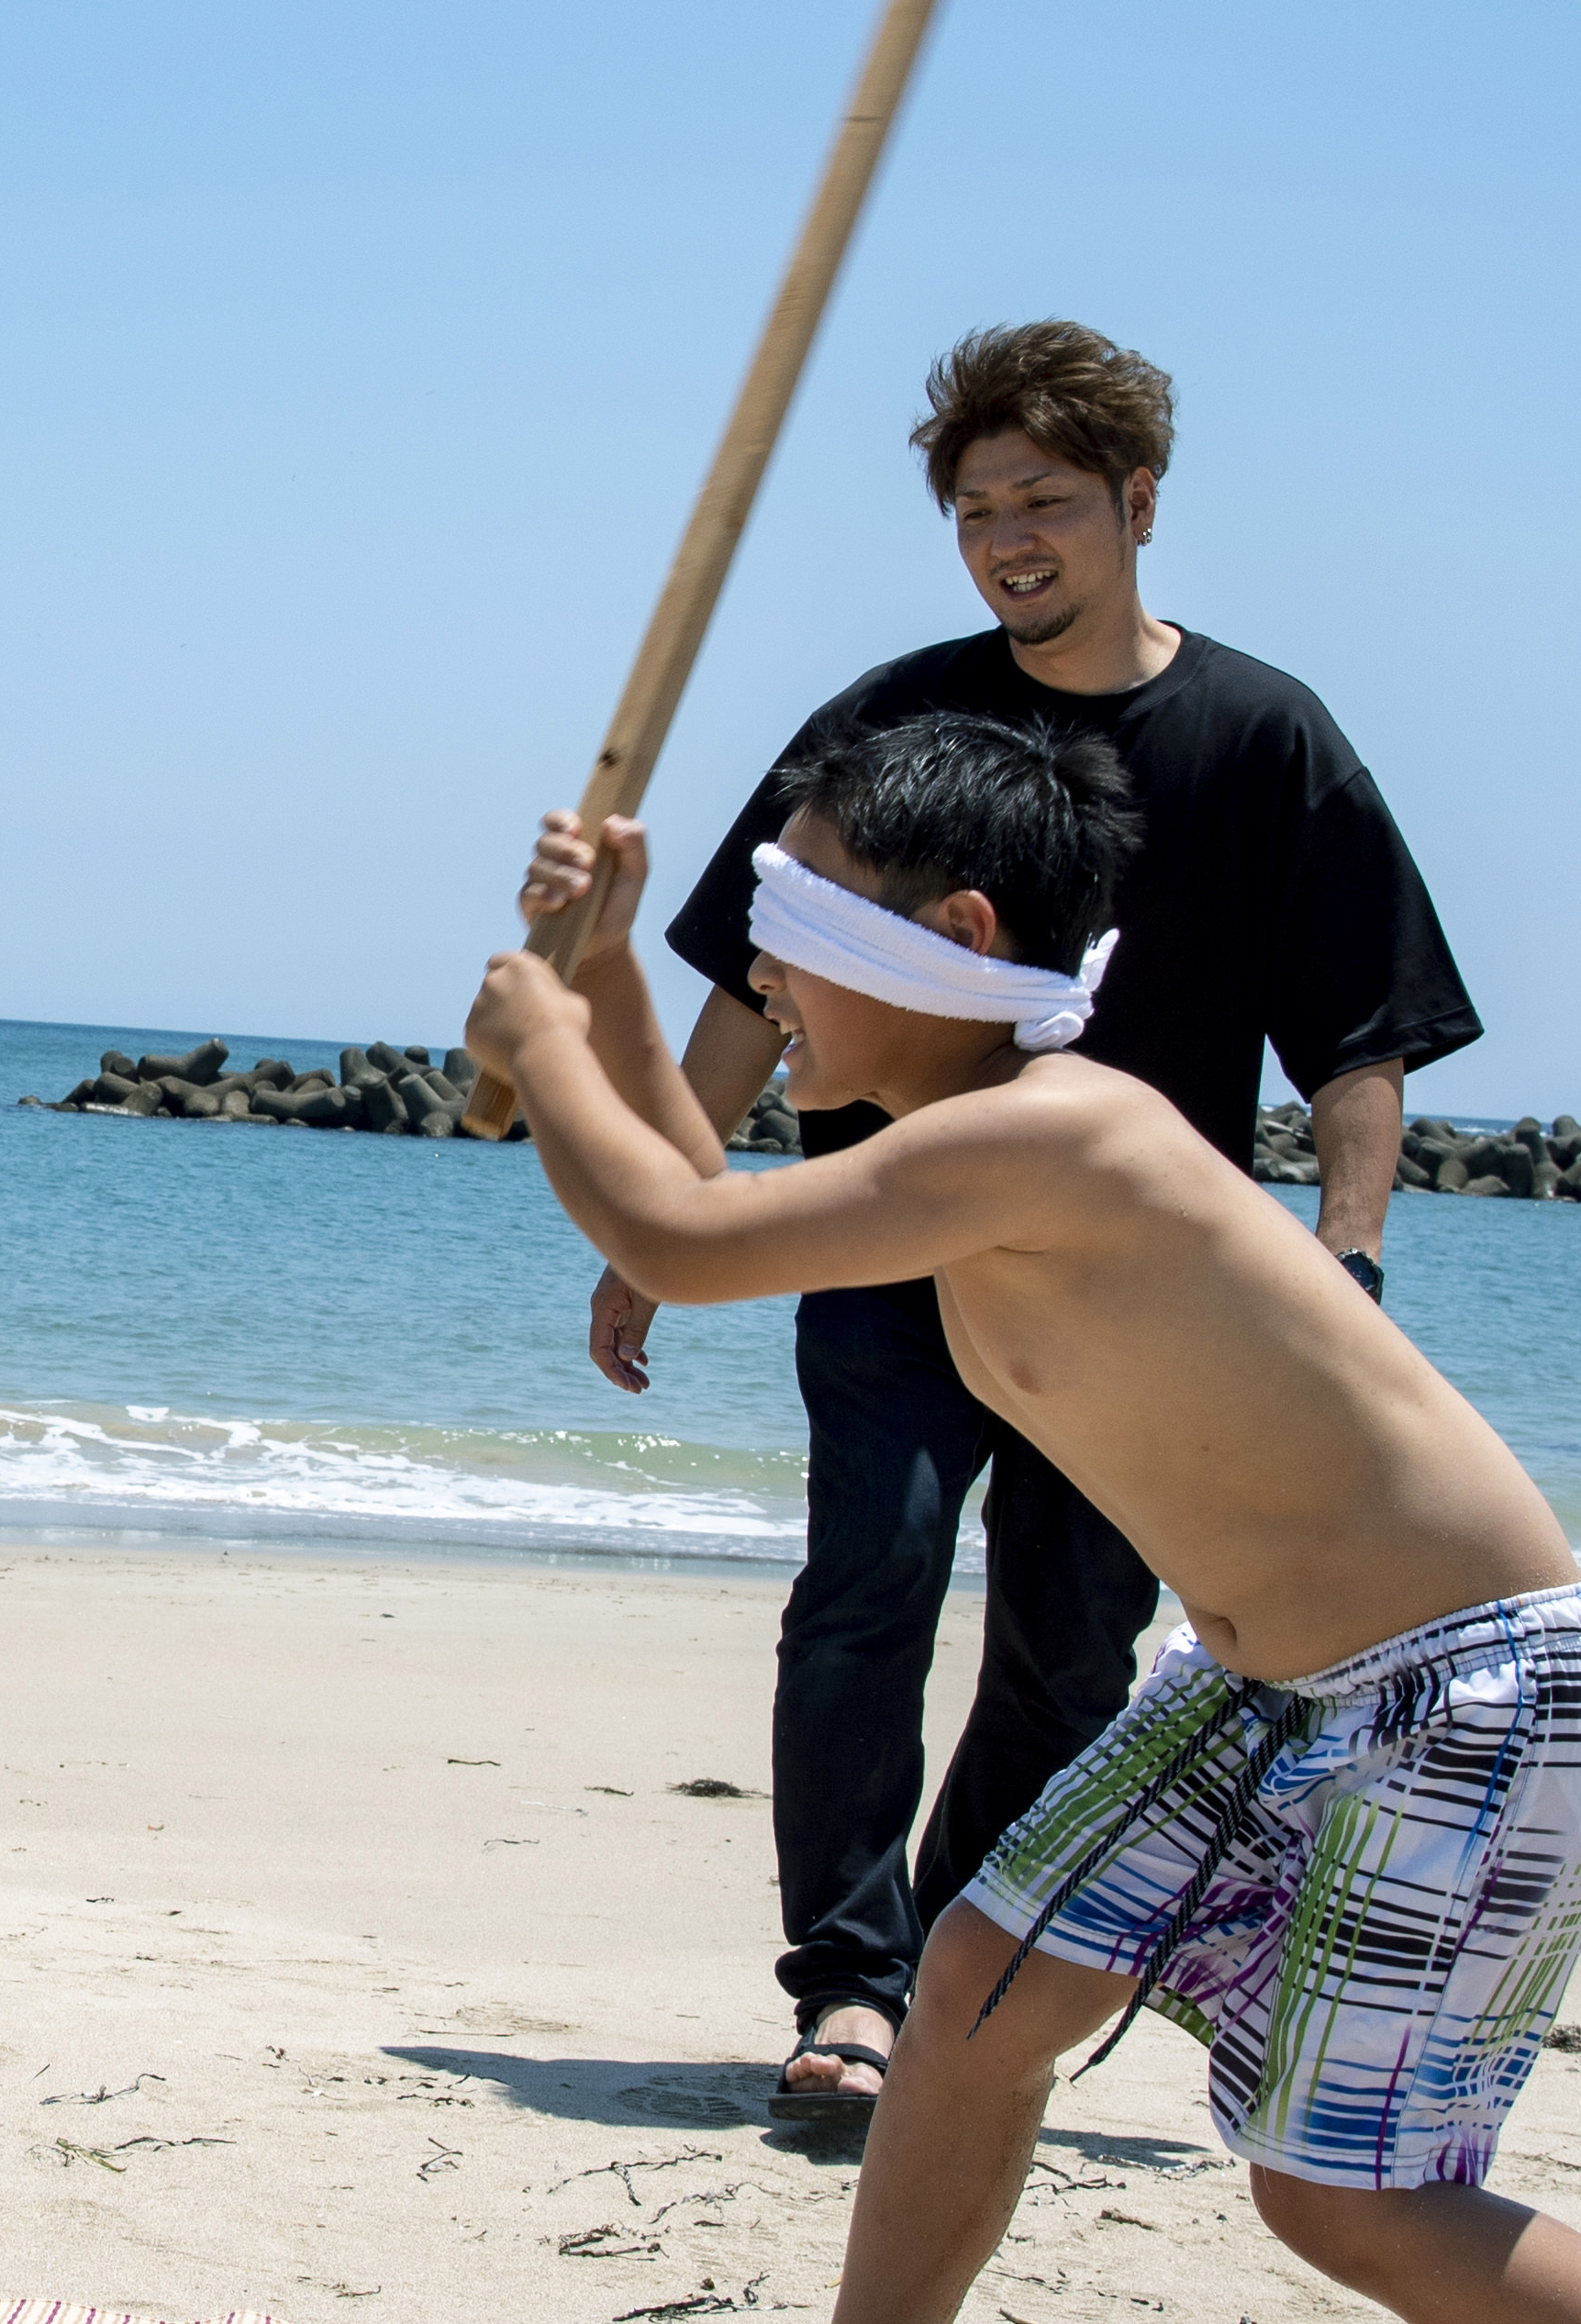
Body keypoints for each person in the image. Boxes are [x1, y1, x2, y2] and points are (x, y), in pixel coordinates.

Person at [467, 715, 1581, 2324]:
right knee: (971, 1990)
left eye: (788, 926)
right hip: (1261, 1681)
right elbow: (682, 1168)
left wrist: (536, 1032)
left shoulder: (1064, 1134)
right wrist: (616, 981)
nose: (766, 976)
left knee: (1343, 2192)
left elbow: (674, 1236)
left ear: (954, 934)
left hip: (1466, 1691)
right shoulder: (962, 1143)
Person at [595, 323, 1481, 2118]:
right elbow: (750, 990)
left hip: (1131, 1299)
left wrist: (1351, 1252)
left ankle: (949, 1971)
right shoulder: (893, 722)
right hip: (886, 1241)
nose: (1010, 538)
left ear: (1136, 504)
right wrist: (663, 1208)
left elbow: (1356, 1034)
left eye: (1047, 502)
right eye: (978, 506)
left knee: (1070, 1643)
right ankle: (845, 1988)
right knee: (868, 1582)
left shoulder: (1261, 736)